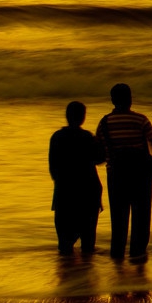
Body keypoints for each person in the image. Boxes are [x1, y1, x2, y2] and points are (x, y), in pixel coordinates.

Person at [96, 83, 152, 261]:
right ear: (130, 99)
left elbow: (99, 154)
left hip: (116, 176)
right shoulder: (141, 120)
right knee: (141, 218)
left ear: (112, 101)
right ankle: (138, 257)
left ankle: (117, 259)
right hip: (141, 176)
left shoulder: (104, 123)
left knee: (118, 219)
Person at [48, 100, 106, 257]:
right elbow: (100, 158)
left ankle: (69, 276)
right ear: (83, 118)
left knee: (65, 246)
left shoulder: (57, 138)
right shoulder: (87, 138)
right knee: (88, 245)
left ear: (67, 116)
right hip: (88, 194)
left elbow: (53, 169)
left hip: (64, 194)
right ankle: (85, 276)